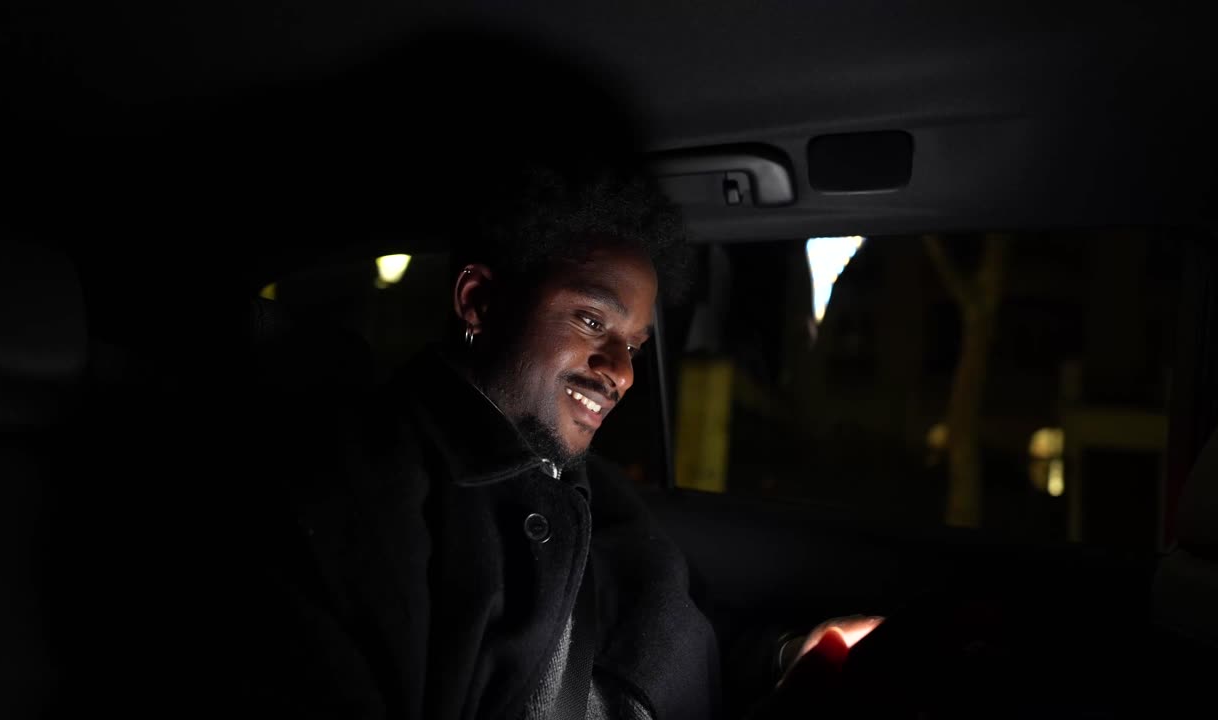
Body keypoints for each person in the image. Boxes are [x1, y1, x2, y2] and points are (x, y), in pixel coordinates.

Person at [229, 166, 880, 720]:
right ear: (479, 301)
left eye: (634, 347)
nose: (621, 373)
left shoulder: (587, 482)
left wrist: (790, 654)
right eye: (592, 320)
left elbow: (685, 624)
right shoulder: (361, 497)